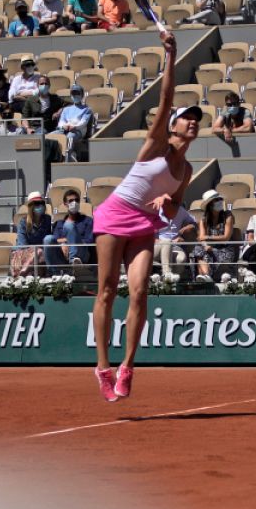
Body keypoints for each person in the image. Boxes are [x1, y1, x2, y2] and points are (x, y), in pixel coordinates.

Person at [91, 29, 195, 402]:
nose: (193, 122)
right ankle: (102, 367)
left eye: (197, 119)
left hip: (143, 223)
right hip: (115, 213)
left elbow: (172, 208)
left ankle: (127, 366)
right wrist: (170, 55)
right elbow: (165, 99)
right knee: (106, 291)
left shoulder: (187, 170)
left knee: (139, 291)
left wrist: (167, 200)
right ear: (173, 126)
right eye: (187, 118)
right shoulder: (155, 145)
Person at [190, 189, 237, 283]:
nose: (219, 202)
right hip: (210, 247)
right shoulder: (204, 219)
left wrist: (208, 237)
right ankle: (206, 276)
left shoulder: (228, 215)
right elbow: (201, 238)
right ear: (210, 205)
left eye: (219, 199)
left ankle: (205, 277)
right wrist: (205, 245)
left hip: (225, 248)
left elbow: (226, 238)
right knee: (198, 249)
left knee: (205, 254)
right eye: (216, 200)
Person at [48, 188, 95, 269]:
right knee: (48, 239)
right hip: (63, 253)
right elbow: (54, 241)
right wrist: (63, 244)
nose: (74, 203)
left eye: (77, 200)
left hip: (83, 254)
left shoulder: (88, 221)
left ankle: (74, 262)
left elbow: (89, 241)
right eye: (71, 201)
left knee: (69, 226)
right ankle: (51, 270)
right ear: (65, 204)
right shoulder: (59, 224)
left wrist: (69, 242)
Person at [154, 200, 198, 278]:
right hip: (156, 246)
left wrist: (185, 228)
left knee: (181, 260)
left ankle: (173, 283)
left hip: (175, 246)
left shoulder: (180, 210)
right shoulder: (155, 210)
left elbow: (194, 223)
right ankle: (167, 275)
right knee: (167, 242)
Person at [15, 191, 54, 273]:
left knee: (41, 252)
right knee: (38, 251)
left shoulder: (48, 220)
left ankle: (25, 271)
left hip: (43, 255)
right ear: (30, 206)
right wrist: (35, 252)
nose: (40, 206)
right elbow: (22, 245)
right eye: (36, 203)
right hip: (27, 254)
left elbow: (51, 240)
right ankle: (25, 270)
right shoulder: (23, 222)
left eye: (42, 203)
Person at [57, 85, 95, 162]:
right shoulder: (66, 109)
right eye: (73, 93)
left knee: (69, 137)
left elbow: (83, 122)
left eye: (77, 93)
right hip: (65, 129)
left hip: (78, 131)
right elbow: (61, 122)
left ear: (82, 95)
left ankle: (69, 155)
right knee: (52, 135)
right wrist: (64, 126)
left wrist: (74, 127)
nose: (75, 95)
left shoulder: (87, 109)